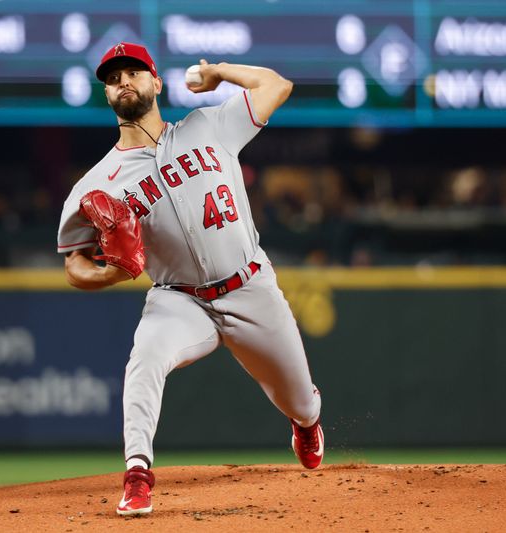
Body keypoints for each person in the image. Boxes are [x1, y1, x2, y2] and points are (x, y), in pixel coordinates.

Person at [56, 42, 323, 516]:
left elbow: (276, 86)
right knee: (145, 360)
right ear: (107, 94)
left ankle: (304, 424)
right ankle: (138, 474)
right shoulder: (96, 184)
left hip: (249, 285)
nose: (123, 82)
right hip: (178, 300)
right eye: (113, 77)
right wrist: (107, 274)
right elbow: (73, 263)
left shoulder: (209, 124)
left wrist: (219, 72)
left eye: (134, 73)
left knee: (301, 401)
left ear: (156, 83)